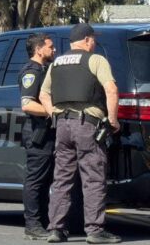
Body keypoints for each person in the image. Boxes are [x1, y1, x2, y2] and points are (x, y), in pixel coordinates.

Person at [39, 23, 121, 244]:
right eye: (93, 38)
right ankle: (94, 231)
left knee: (62, 179)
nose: (94, 42)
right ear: (86, 40)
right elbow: (111, 89)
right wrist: (112, 120)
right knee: (93, 178)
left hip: (62, 126)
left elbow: (43, 94)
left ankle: (56, 229)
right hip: (87, 125)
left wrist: (54, 114)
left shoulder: (56, 63)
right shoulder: (96, 60)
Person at [19, 33, 56, 240]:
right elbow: (27, 104)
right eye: (50, 47)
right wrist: (54, 111)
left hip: (49, 133)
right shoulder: (31, 72)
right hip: (38, 134)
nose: (54, 50)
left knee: (46, 181)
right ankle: (32, 224)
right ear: (38, 49)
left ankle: (42, 222)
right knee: (35, 180)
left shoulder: (45, 69)